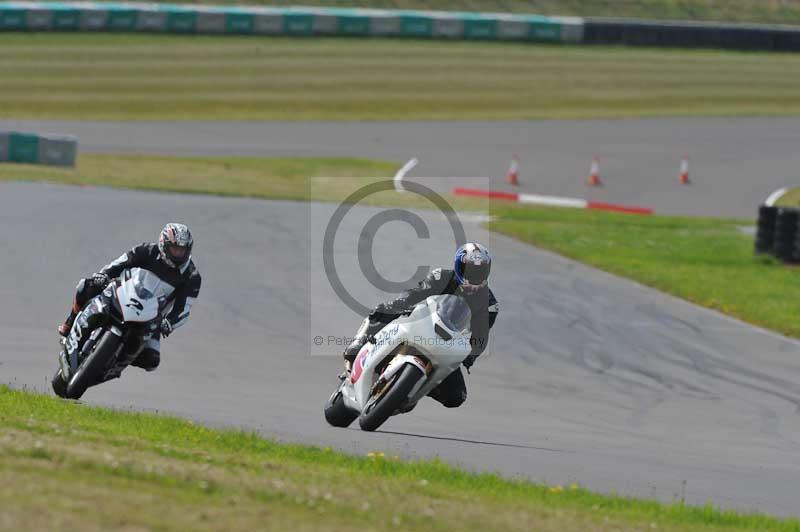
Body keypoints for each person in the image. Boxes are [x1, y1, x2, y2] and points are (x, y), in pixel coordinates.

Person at [342, 242, 498, 408]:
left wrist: (469, 357)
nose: (474, 275)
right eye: (469, 270)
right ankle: (360, 341)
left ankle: (417, 384)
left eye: (479, 271)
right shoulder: (441, 277)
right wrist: (402, 306)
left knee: (456, 396)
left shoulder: (489, 303)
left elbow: (481, 336)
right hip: (422, 325)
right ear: (458, 267)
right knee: (384, 310)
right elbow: (413, 296)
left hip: (447, 342)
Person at [58, 223, 201, 372]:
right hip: (124, 294)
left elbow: (183, 309)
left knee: (151, 361)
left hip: (153, 318)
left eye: (182, 250)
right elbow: (119, 264)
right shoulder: (146, 250)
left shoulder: (192, 277)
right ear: (163, 244)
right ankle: (70, 323)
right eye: (175, 249)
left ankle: (113, 365)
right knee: (86, 286)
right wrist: (103, 275)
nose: (178, 254)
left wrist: (169, 323)